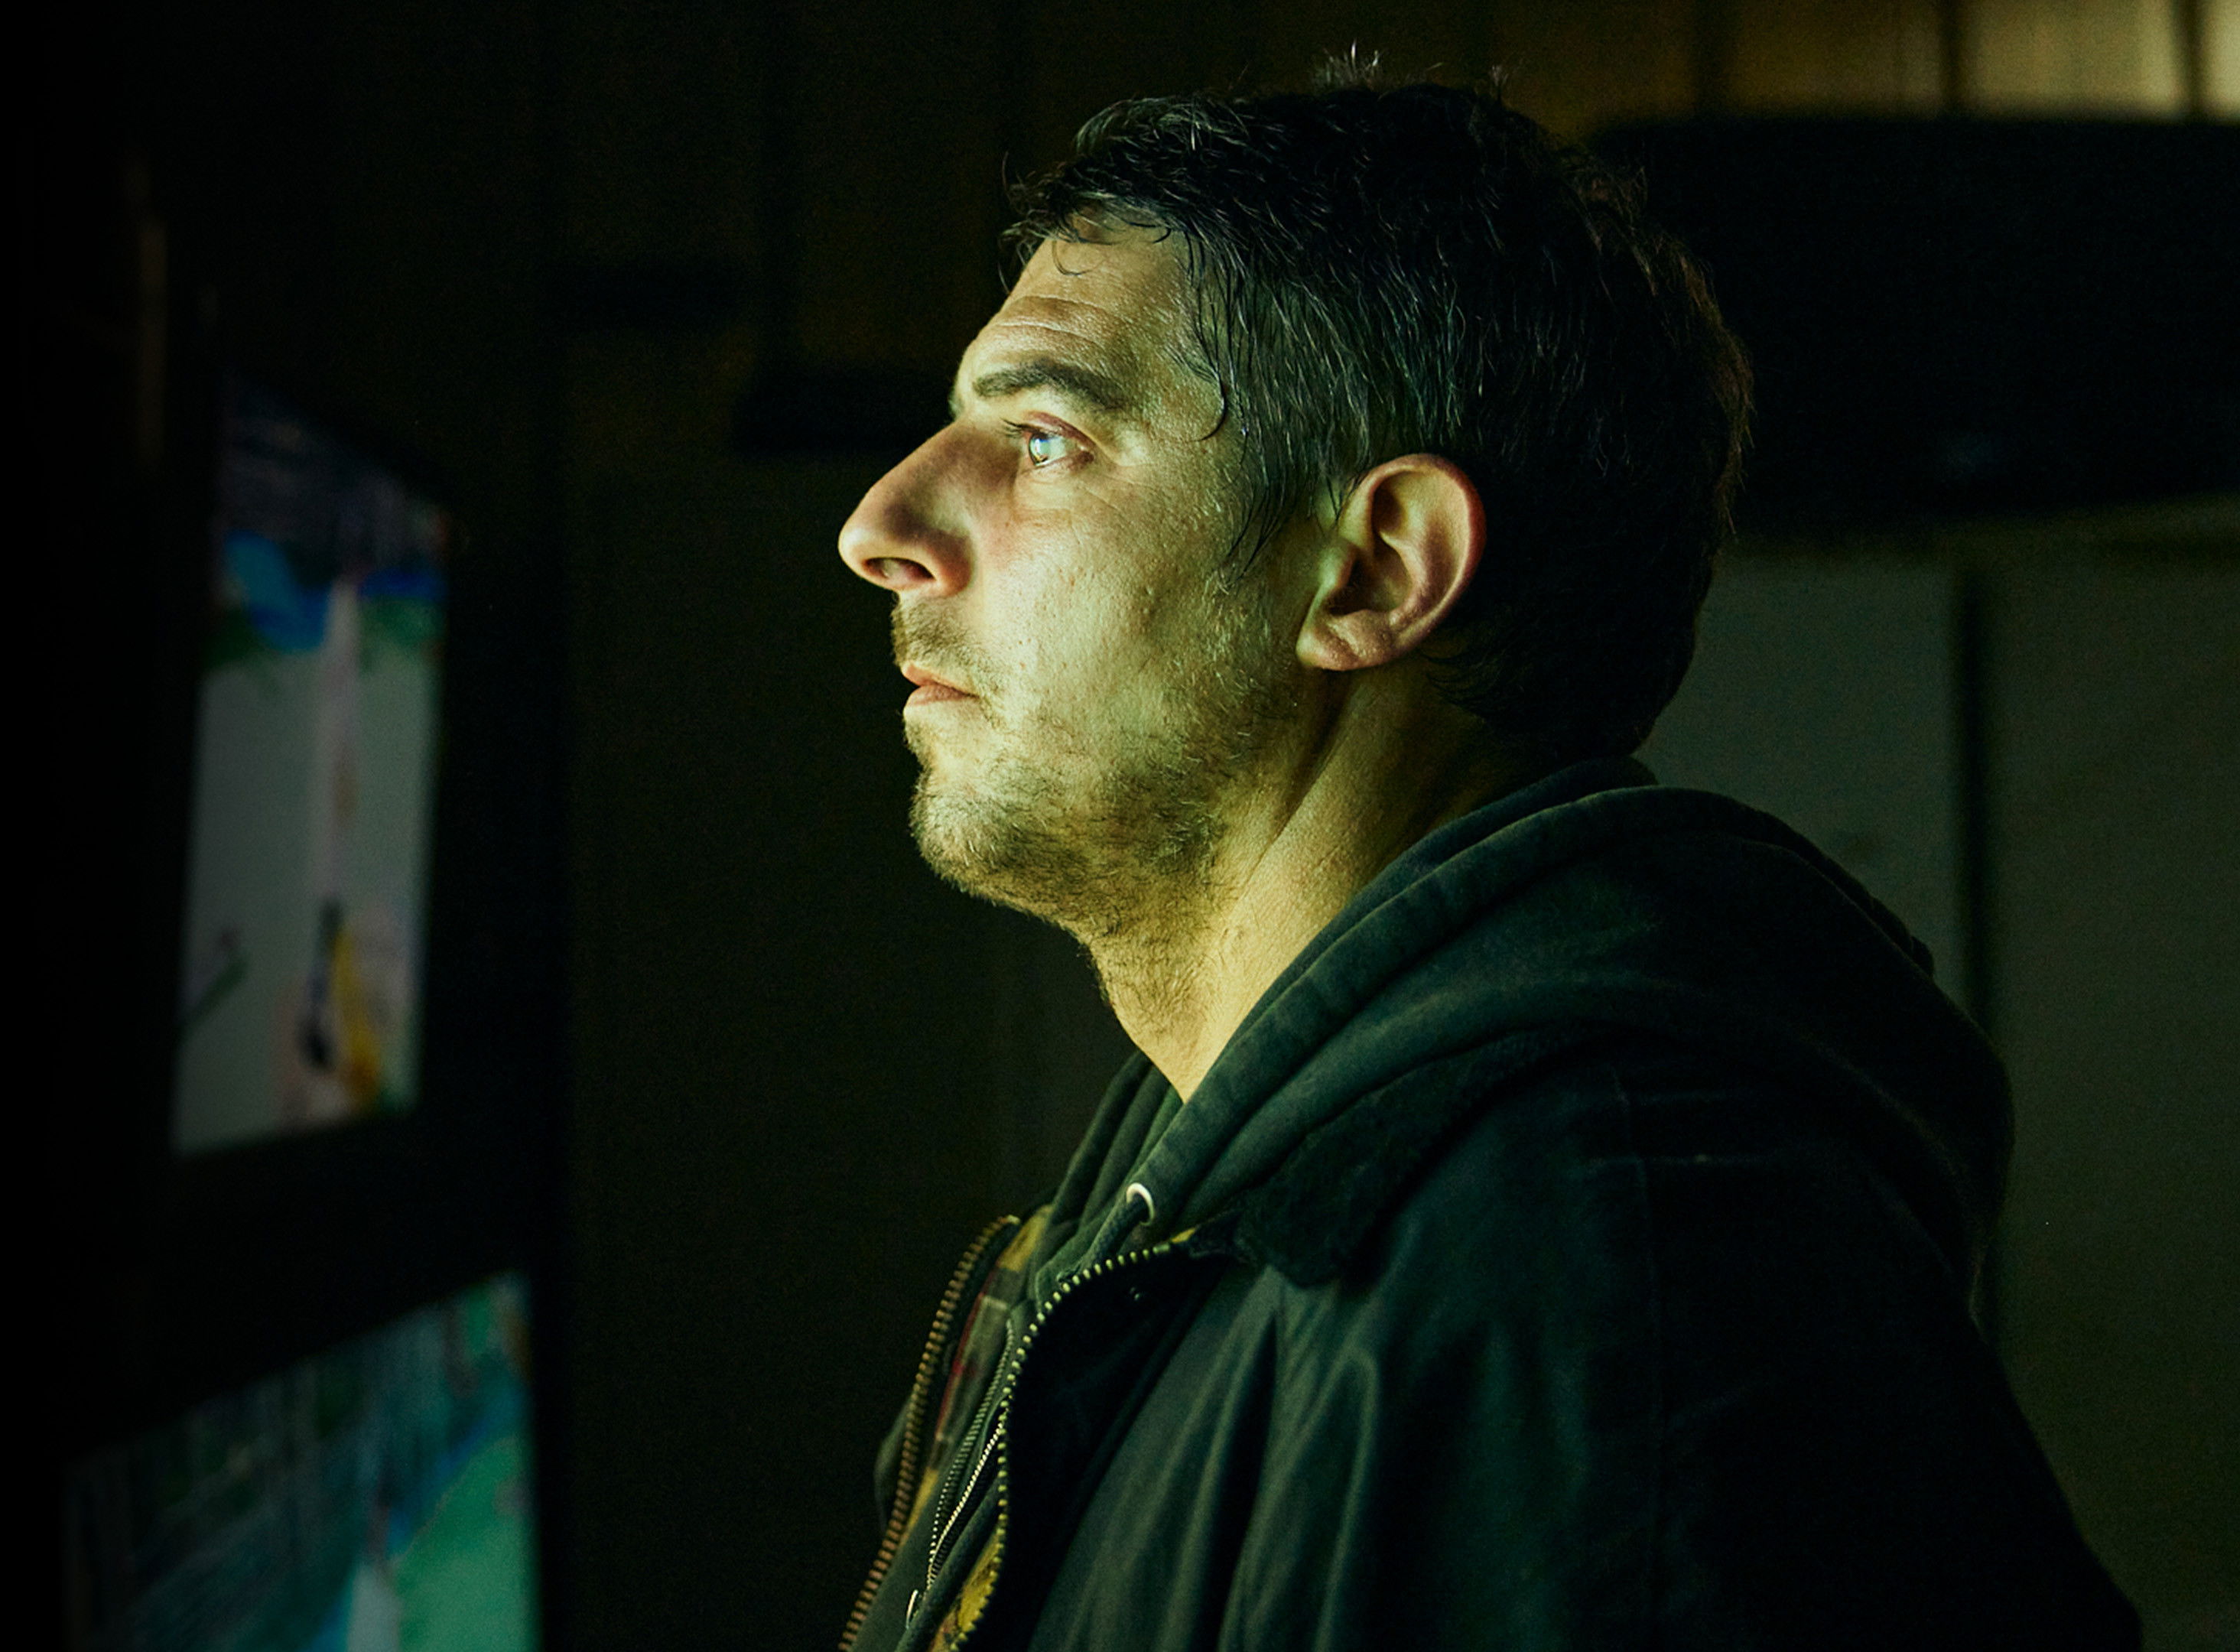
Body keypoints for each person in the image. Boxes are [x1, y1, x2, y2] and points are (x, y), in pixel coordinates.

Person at [830, 70, 2137, 1651]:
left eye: (1045, 438)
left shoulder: (1595, 1295)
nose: (881, 524)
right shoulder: (1190, 1206)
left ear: (1378, 570)